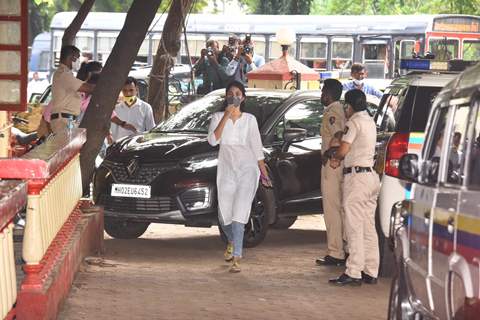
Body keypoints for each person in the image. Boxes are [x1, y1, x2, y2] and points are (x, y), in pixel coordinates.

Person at [207, 80, 272, 273]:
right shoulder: (218, 116)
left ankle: (237, 256)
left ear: (243, 97)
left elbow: (256, 147)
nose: (233, 96)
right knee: (225, 214)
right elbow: (212, 140)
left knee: (240, 211)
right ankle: (232, 241)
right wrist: (226, 115)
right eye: (230, 93)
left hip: (247, 169)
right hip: (227, 170)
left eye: (237, 93)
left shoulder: (250, 119)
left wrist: (264, 173)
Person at [327, 89, 380, 286]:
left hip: (356, 179)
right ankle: (371, 269)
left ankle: (354, 271)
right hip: (371, 177)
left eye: (345, 106)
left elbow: (343, 149)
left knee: (354, 226)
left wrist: (334, 159)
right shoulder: (369, 120)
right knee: (368, 226)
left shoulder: (354, 122)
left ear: (349, 106)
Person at [315, 79, 347, 267]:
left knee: (332, 209)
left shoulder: (333, 112)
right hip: (337, 165)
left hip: (332, 166)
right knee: (338, 208)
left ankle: (336, 252)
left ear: (329, 93)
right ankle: (343, 248)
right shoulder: (337, 110)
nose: (321, 95)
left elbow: (338, 135)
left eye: (323, 92)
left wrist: (331, 154)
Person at [49, 45, 95, 134]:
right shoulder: (64, 74)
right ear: (71, 57)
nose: (79, 61)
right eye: (78, 58)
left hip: (66, 119)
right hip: (63, 120)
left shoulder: (66, 74)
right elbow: (87, 88)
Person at [110, 77, 155, 142]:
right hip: (118, 148)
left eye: (131, 90)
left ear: (136, 90)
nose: (128, 94)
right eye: (125, 90)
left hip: (136, 147)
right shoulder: (116, 108)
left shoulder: (146, 108)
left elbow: (151, 130)